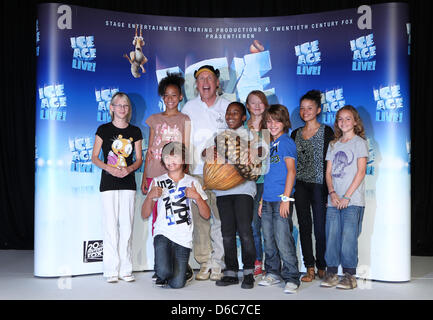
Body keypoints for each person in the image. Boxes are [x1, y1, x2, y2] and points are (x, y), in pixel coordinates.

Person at [140, 73, 191, 280]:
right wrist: (145, 174)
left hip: (175, 174)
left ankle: (176, 265)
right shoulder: (154, 119)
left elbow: (185, 147)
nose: (170, 99)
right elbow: (150, 148)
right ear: (162, 97)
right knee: (157, 220)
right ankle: (159, 266)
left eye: (174, 95)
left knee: (175, 218)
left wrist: (183, 174)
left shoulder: (184, 119)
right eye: (166, 95)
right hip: (155, 172)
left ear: (180, 97)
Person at [181, 65, 230, 281]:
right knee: (200, 219)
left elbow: (236, 137)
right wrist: (186, 169)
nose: (205, 82)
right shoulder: (189, 108)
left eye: (209, 77)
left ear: (217, 82)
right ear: (196, 85)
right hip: (196, 173)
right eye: (201, 79)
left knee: (220, 219)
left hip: (221, 173)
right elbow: (183, 141)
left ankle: (218, 262)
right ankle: (204, 262)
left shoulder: (228, 106)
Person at [203, 102, 258, 289]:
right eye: (228, 113)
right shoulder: (219, 136)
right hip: (222, 190)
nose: (231, 116)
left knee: (244, 230)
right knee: (227, 233)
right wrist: (214, 150)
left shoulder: (249, 135)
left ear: (244, 117)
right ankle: (231, 272)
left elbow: (255, 159)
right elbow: (205, 154)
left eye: (236, 113)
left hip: (243, 190)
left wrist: (238, 151)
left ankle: (249, 272)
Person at [141, 142, 210, 289]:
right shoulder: (157, 181)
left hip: (183, 237)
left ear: (183, 159)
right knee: (164, 272)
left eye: (175, 156)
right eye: (166, 157)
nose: (170, 161)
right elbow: (145, 214)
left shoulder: (192, 182)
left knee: (177, 284)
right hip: (163, 233)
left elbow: (206, 215)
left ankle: (184, 269)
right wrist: (149, 197)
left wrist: (197, 197)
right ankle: (164, 268)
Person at [91, 92, 143, 283]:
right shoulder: (103, 130)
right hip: (108, 183)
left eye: (126, 105)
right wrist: (110, 169)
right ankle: (111, 270)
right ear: (111, 108)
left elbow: (139, 160)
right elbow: (94, 157)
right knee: (110, 226)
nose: (122, 108)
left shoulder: (135, 131)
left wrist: (128, 169)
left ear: (129, 109)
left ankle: (126, 269)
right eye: (118, 105)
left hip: (128, 183)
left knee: (127, 226)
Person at [320, 105, 368, 290]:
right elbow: (328, 173)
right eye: (340, 118)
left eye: (348, 118)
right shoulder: (334, 144)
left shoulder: (360, 143)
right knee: (331, 236)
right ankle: (331, 273)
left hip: (352, 201)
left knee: (349, 237)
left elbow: (361, 171)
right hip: (334, 200)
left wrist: (346, 197)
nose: (344, 122)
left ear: (355, 122)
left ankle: (349, 275)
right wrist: (333, 193)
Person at [290, 90, 334, 282]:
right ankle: (309, 267)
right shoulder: (295, 134)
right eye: (302, 108)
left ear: (318, 110)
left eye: (310, 108)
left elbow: (331, 163)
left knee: (320, 228)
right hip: (300, 186)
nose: (305, 111)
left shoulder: (327, 131)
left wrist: (329, 191)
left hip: (319, 186)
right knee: (304, 227)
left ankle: (322, 265)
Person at [258, 104, 300, 294]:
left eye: (277, 120)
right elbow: (268, 175)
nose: (272, 124)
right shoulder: (269, 144)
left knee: (283, 239)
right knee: (269, 239)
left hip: (281, 200)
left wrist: (285, 199)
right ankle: (273, 273)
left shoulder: (286, 142)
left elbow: (291, 172)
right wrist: (261, 201)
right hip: (266, 200)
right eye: (269, 121)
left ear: (284, 122)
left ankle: (292, 277)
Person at [245, 90, 270, 278]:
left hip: (266, 182)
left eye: (260, 102)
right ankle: (256, 260)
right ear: (247, 106)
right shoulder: (241, 127)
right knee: (251, 225)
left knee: (265, 224)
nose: (257, 105)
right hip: (246, 183)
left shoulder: (272, 126)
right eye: (253, 102)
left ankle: (272, 262)